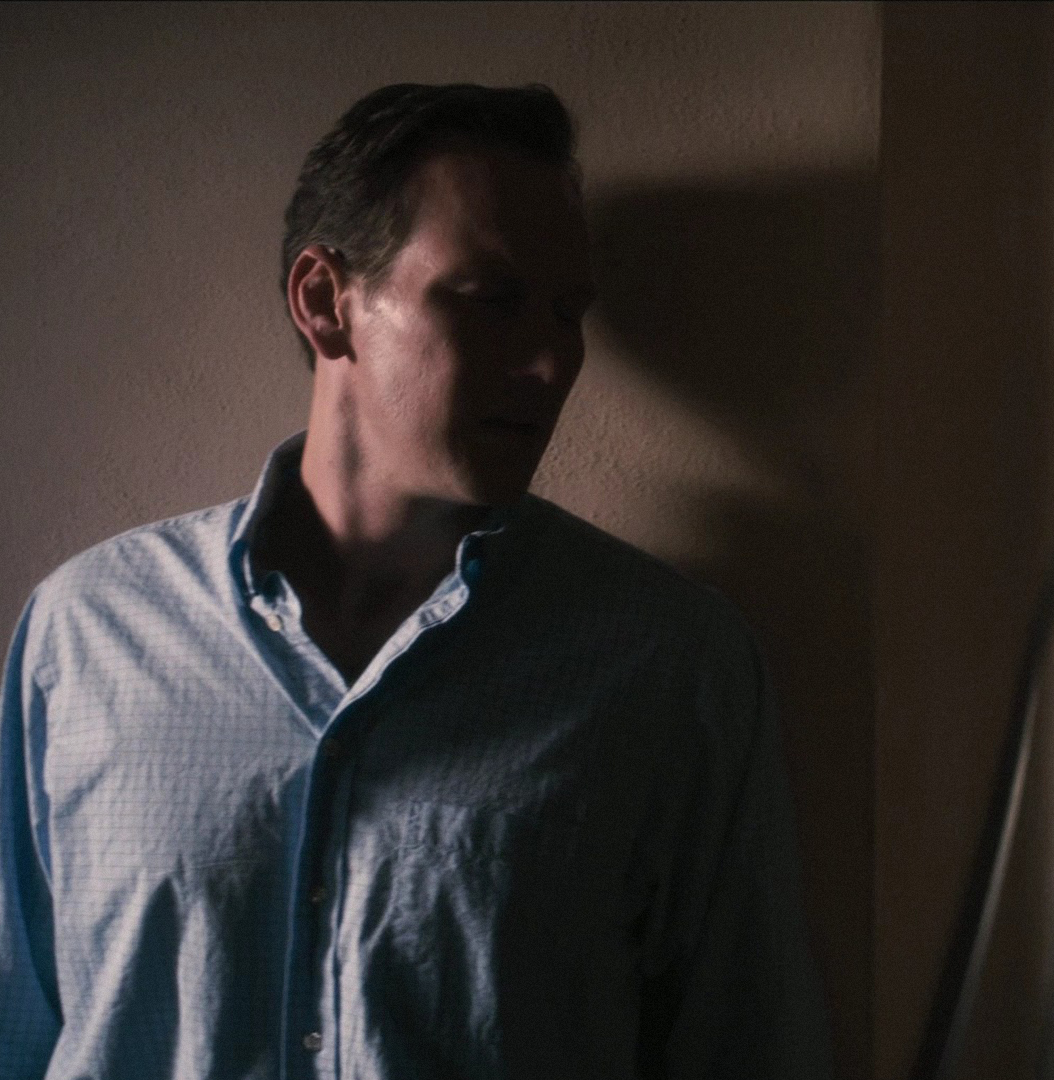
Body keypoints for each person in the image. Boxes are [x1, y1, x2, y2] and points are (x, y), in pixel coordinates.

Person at [0, 83, 831, 1079]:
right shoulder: (87, 634)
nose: (550, 364)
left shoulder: (667, 663)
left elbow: (747, 1046)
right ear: (326, 302)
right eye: (491, 301)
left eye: (567, 313)